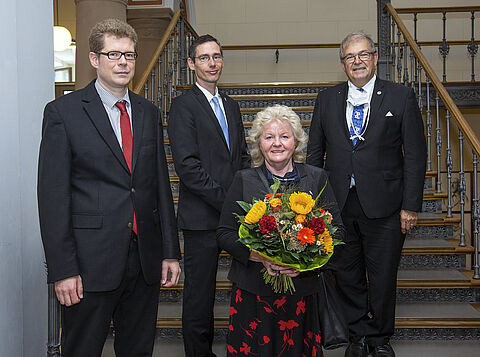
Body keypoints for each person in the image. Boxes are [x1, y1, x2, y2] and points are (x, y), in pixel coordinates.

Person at [38, 18, 181, 356]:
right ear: (94, 59)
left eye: (129, 55)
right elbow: (53, 197)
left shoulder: (147, 112)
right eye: (114, 54)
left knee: (137, 350)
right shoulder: (64, 113)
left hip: (144, 260)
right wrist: (63, 269)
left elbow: (159, 186)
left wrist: (170, 251)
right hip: (88, 264)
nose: (123, 63)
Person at [306, 31, 426, 357]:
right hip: (338, 206)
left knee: (383, 277)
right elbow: (315, 156)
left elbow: (415, 155)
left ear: (374, 58)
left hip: (387, 207)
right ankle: (357, 336)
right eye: (350, 57)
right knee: (346, 275)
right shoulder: (326, 99)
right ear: (343, 63)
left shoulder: (401, 97)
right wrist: (313, 206)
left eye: (363, 55)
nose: (357, 61)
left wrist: (411, 206)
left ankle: (380, 338)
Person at [217, 105, 345, 357]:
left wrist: (306, 262)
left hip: (302, 295)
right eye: (269, 137)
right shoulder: (243, 179)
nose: (277, 143)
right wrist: (257, 255)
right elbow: (224, 233)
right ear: (259, 143)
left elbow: (338, 233)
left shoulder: (316, 178)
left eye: (284, 136)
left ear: (295, 141)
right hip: (253, 293)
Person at [167, 34, 251, 356]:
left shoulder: (231, 104)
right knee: (199, 296)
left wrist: (247, 198)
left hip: (234, 218)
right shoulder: (183, 106)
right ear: (191, 64)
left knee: (243, 284)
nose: (212, 63)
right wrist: (229, 202)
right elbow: (188, 168)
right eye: (204, 58)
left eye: (216, 56)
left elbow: (242, 157)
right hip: (202, 219)